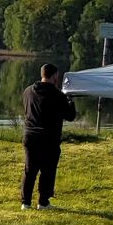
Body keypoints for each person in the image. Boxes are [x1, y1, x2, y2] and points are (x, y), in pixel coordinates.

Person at [20, 63, 76, 209]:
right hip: (49, 138)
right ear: (55, 76)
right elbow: (70, 116)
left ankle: (25, 203)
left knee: (29, 169)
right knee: (48, 170)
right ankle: (43, 202)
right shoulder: (58, 96)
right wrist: (71, 101)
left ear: (42, 74)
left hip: (30, 136)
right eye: (57, 76)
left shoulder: (27, 91)